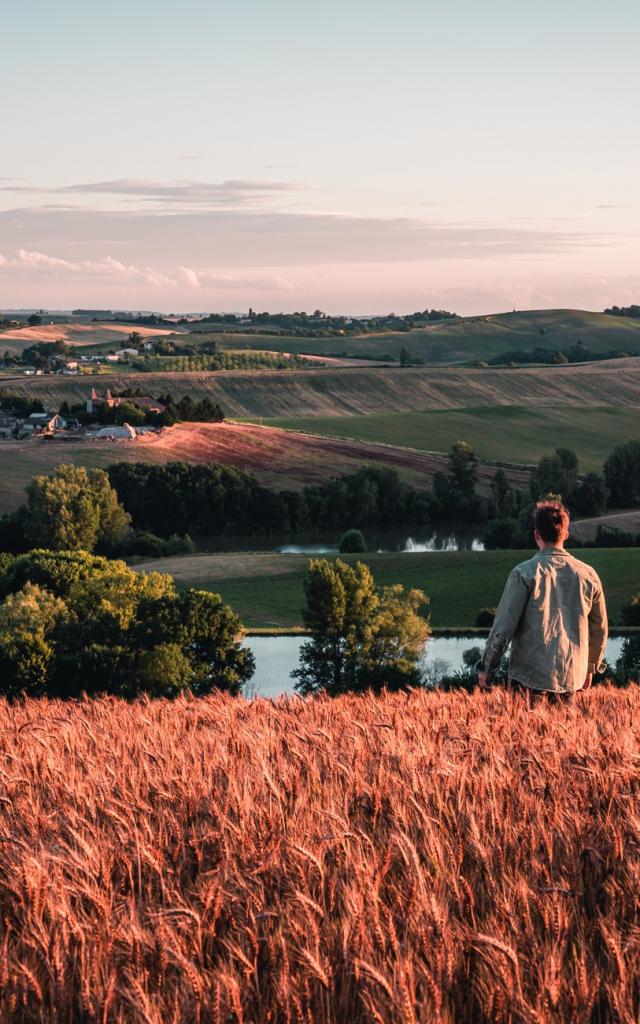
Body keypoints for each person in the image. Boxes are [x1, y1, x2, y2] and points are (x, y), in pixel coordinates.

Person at [477, 501, 608, 697]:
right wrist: (590, 668)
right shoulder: (589, 576)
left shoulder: (523, 574)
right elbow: (599, 630)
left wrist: (487, 667)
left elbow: (503, 628)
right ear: (566, 533)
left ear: (536, 535)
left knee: (524, 729)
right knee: (567, 726)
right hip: (571, 679)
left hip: (527, 679)